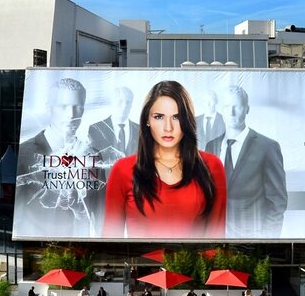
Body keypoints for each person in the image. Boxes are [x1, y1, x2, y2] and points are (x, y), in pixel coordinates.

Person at [102, 80, 227, 239]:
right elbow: (109, 242)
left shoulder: (212, 166)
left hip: (196, 264)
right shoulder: (123, 170)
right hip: (140, 264)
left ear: (187, 120)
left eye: (177, 117)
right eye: (159, 117)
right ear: (147, 120)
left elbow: (217, 242)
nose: (168, 127)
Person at [204, 85, 288, 238]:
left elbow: (277, 202)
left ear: (247, 109)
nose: (231, 112)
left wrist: (267, 241)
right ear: (221, 109)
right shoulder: (211, 146)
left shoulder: (267, 147)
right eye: (227, 106)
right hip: (215, 241)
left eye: (237, 106)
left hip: (252, 242)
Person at [17, 77, 95, 236]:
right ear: (49, 108)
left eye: (77, 107)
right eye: (63, 106)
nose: (71, 114)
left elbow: (98, 209)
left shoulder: (93, 155)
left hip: (81, 247)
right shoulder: (24, 153)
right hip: (38, 245)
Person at [87, 86, 138, 163]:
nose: (124, 106)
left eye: (128, 102)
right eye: (120, 101)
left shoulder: (140, 129)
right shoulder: (96, 128)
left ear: (131, 105)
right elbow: (94, 160)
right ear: (112, 103)